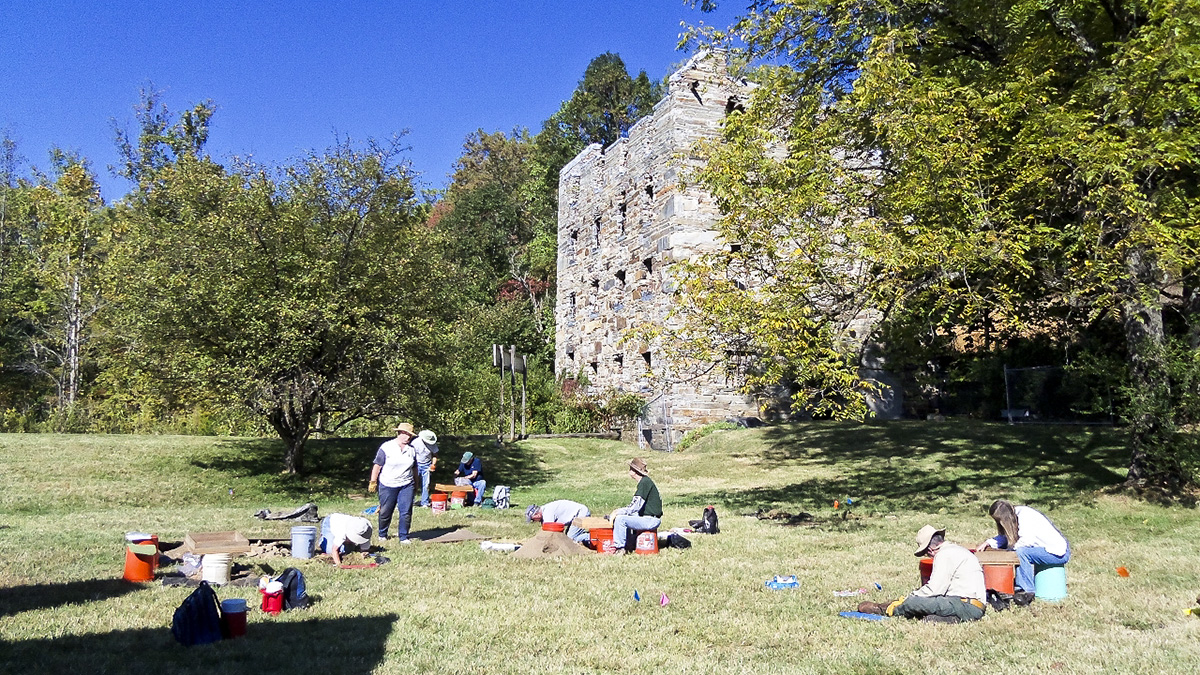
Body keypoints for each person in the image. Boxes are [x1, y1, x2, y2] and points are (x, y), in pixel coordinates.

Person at [858, 525, 986, 623]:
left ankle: (884, 609)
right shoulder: (958, 550)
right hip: (971, 607)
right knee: (928, 610)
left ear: (930, 550)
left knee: (915, 603)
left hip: (964, 605)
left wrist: (911, 598)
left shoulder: (944, 555)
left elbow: (935, 589)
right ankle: (945, 619)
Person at [979, 499, 1070, 598]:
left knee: (1022, 552)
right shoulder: (1015, 515)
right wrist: (988, 543)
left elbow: (1026, 541)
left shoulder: (1025, 516)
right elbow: (1006, 536)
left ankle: (1026, 591)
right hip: (1045, 550)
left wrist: (1010, 551)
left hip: (1057, 553)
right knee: (1019, 551)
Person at [368, 422, 417, 544]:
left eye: (410, 435)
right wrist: (373, 481)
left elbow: (415, 468)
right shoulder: (386, 447)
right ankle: (382, 534)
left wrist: (416, 483)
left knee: (406, 511)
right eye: (406, 434)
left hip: (407, 484)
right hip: (388, 484)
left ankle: (404, 536)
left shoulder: (412, 450)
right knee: (386, 510)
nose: (408, 437)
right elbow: (377, 465)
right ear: (399, 433)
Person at [608, 458, 662, 554]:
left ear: (634, 471)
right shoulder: (645, 482)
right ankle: (630, 543)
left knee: (621, 520)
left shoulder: (644, 483)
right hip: (649, 517)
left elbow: (635, 507)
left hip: (650, 520)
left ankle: (619, 548)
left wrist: (617, 512)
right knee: (625, 517)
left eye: (630, 468)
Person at [526, 500, 591, 543]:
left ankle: (594, 537)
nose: (534, 521)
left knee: (571, 538)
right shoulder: (545, 511)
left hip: (581, 513)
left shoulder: (547, 513)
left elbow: (550, 532)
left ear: (537, 515)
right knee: (568, 537)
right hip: (575, 516)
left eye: (533, 519)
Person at [412, 429, 439, 507]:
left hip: (427, 465)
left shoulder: (433, 444)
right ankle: (411, 501)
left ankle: (425, 502)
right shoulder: (415, 442)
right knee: (413, 483)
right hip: (416, 464)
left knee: (426, 484)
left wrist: (433, 464)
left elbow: (435, 455)